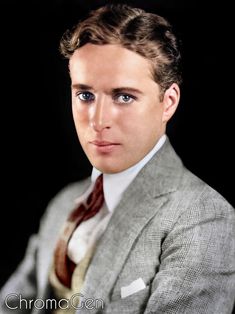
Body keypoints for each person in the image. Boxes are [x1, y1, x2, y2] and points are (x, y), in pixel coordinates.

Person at [0, 4, 235, 314]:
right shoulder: (64, 203)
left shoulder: (203, 217)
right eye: (85, 95)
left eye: (124, 96)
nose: (98, 120)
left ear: (168, 103)